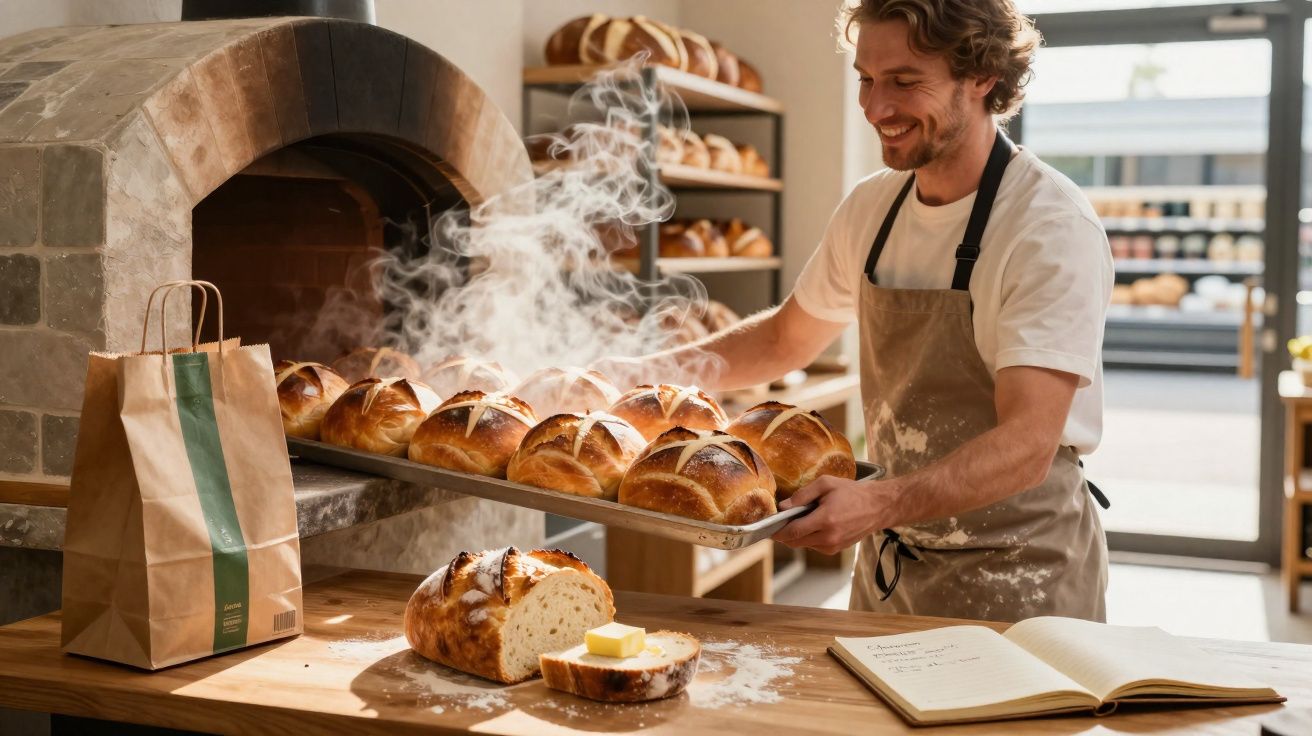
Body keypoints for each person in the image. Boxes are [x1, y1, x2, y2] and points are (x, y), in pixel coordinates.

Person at [599, 0, 1111, 623]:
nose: (874, 109)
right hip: (894, 566)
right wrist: (635, 377)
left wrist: (877, 504)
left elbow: (1027, 443)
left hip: (1020, 576)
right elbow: (785, 339)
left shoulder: (1047, 226)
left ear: (984, 77)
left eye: (904, 81)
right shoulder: (873, 208)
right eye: (866, 80)